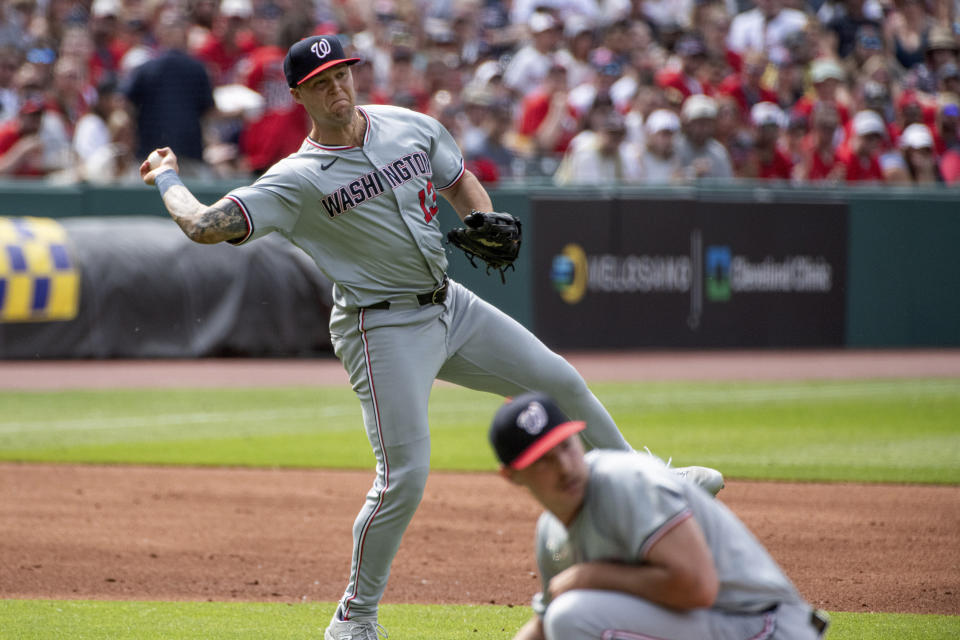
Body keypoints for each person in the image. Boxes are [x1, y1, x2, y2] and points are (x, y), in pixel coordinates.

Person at [139, 34, 724, 640]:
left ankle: (654, 484)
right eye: (320, 83)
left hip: (450, 303)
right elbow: (204, 226)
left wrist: (477, 216)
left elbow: (460, 182)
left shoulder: (409, 127)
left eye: (342, 74)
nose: (336, 88)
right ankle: (353, 618)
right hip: (381, 325)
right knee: (404, 477)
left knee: (560, 382)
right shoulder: (296, 180)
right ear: (298, 95)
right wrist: (167, 178)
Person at [490, 392, 830, 640]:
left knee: (573, 616)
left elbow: (698, 587)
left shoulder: (625, 482)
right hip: (717, 624)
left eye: (565, 447)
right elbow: (544, 626)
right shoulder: (551, 534)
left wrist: (591, 576)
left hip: (764, 626)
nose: (565, 469)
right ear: (513, 476)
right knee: (563, 618)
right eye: (544, 461)